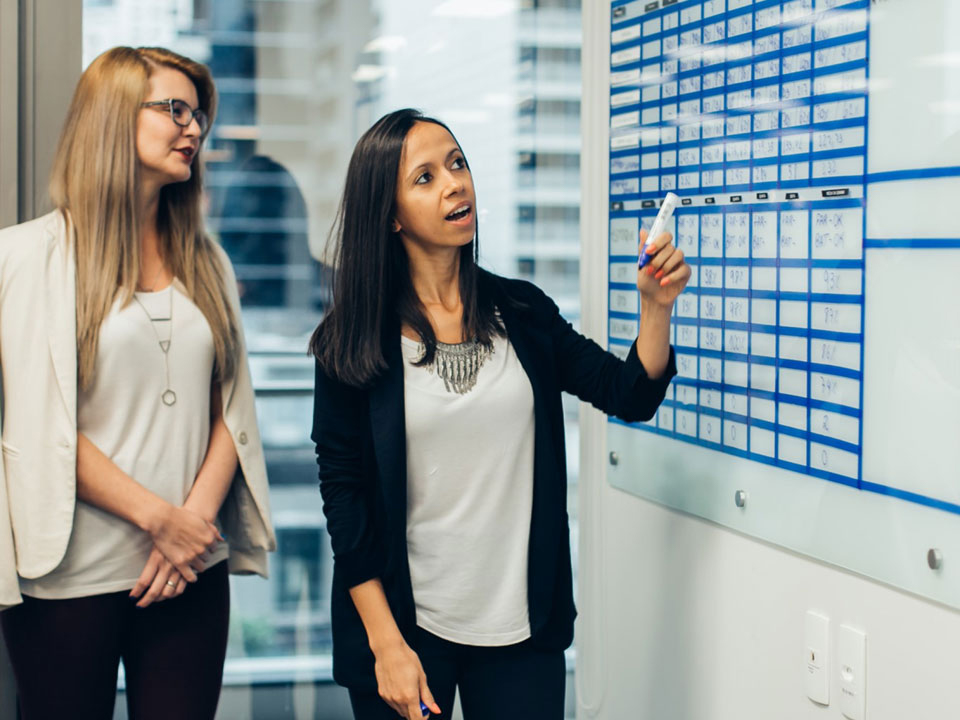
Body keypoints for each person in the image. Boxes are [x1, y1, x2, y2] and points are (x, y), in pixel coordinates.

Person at [310, 108, 690, 720]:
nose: (455, 183)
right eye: (425, 177)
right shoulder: (351, 339)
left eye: (457, 164)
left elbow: (628, 394)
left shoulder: (523, 311)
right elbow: (343, 498)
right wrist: (386, 644)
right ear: (390, 215)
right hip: (407, 630)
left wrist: (655, 308)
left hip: (521, 630)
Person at [0, 46, 275, 720]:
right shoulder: (23, 259)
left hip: (189, 571)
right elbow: (38, 423)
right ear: (112, 116)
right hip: (71, 573)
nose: (195, 129)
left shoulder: (205, 257)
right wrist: (161, 521)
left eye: (200, 116)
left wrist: (194, 527)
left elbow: (230, 409)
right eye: (175, 110)